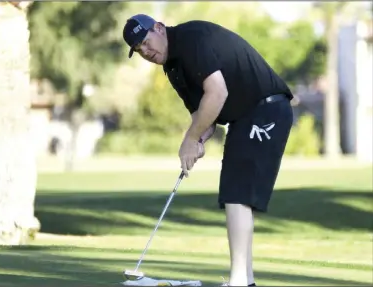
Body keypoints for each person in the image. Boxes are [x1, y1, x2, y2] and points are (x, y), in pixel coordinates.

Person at [122, 14, 294, 287]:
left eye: (145, 41)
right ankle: (244, 281)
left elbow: (217, 93)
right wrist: (197, 140)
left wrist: (190, 140)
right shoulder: (173, 69)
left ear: (159, 28)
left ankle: (239, 282)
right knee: (233, 195)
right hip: (244, 118)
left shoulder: (191, 40)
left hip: (266, 108)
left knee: (237, 194)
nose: (146, 51)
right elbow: (205, 117)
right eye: (139, 49)